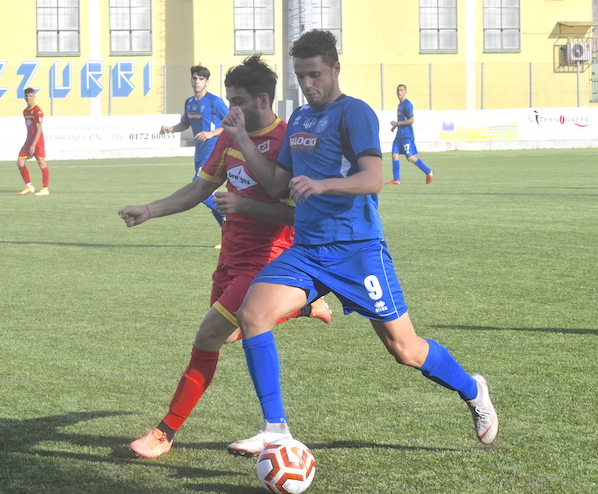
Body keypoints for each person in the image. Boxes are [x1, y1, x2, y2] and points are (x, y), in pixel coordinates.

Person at [225, 30, 498, 457]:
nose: (309, 84)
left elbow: (374, 178)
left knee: (405, 349)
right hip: (308, 250)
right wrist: (242, 140)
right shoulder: (298, 119)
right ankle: (275, 428)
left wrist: (322, 184)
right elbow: (279, 184)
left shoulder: (355, 113)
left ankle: (473, 389)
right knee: (252, 315)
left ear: (335, 69)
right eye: (301, 76)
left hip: (357, 250)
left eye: (315, 74)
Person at [118, 55, 332, 459]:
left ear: (262, 99)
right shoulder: (230, 136)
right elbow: (199, 189)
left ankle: (165, 432)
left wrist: (246, 207)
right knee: (230, 334)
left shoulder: (287, 139)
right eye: (230, 99)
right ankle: (304, 307)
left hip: (268, 259)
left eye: (238, 100)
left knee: (208, 336)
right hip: (231, 258)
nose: (230, 108)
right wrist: (149, 210)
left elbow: (298, 213)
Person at [160, 65, 229, 226]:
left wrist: (212, 133)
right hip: (199, 153)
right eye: (195, 78)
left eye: (201, 79)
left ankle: (228, 213)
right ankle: (227, 234)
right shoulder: (189, 102)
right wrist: (170, 129)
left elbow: (232, 122)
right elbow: (185, 123)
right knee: (208, 192)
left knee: (199, 188)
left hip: (213, 151)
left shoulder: (214, 101)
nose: (197, 82)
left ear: (207, 82)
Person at [387, 84, 433, 185]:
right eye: (398, 90)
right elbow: (402, 120)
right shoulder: (399, 105)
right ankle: (396, 179)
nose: (399, 92)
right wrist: (395, 126)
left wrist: (397, 123)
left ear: (405, 92)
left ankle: (428, 171)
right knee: (394, 155)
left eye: (402, 90)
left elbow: (411, 120)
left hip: (406, 136)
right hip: (399, 135)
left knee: (410, 158)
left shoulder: (407, 104)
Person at [17, 87, 50, 196]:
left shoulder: (37, 111)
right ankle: (29, 186)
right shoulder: (25, 111)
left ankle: (45, 188)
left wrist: (33, 145)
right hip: (29, 140)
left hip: (37, 141)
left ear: (34, 97)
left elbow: (39, 129)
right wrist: (29, 143)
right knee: (20, 162)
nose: (28, 98)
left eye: (30, 96)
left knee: (41, 163)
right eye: (26, 96)